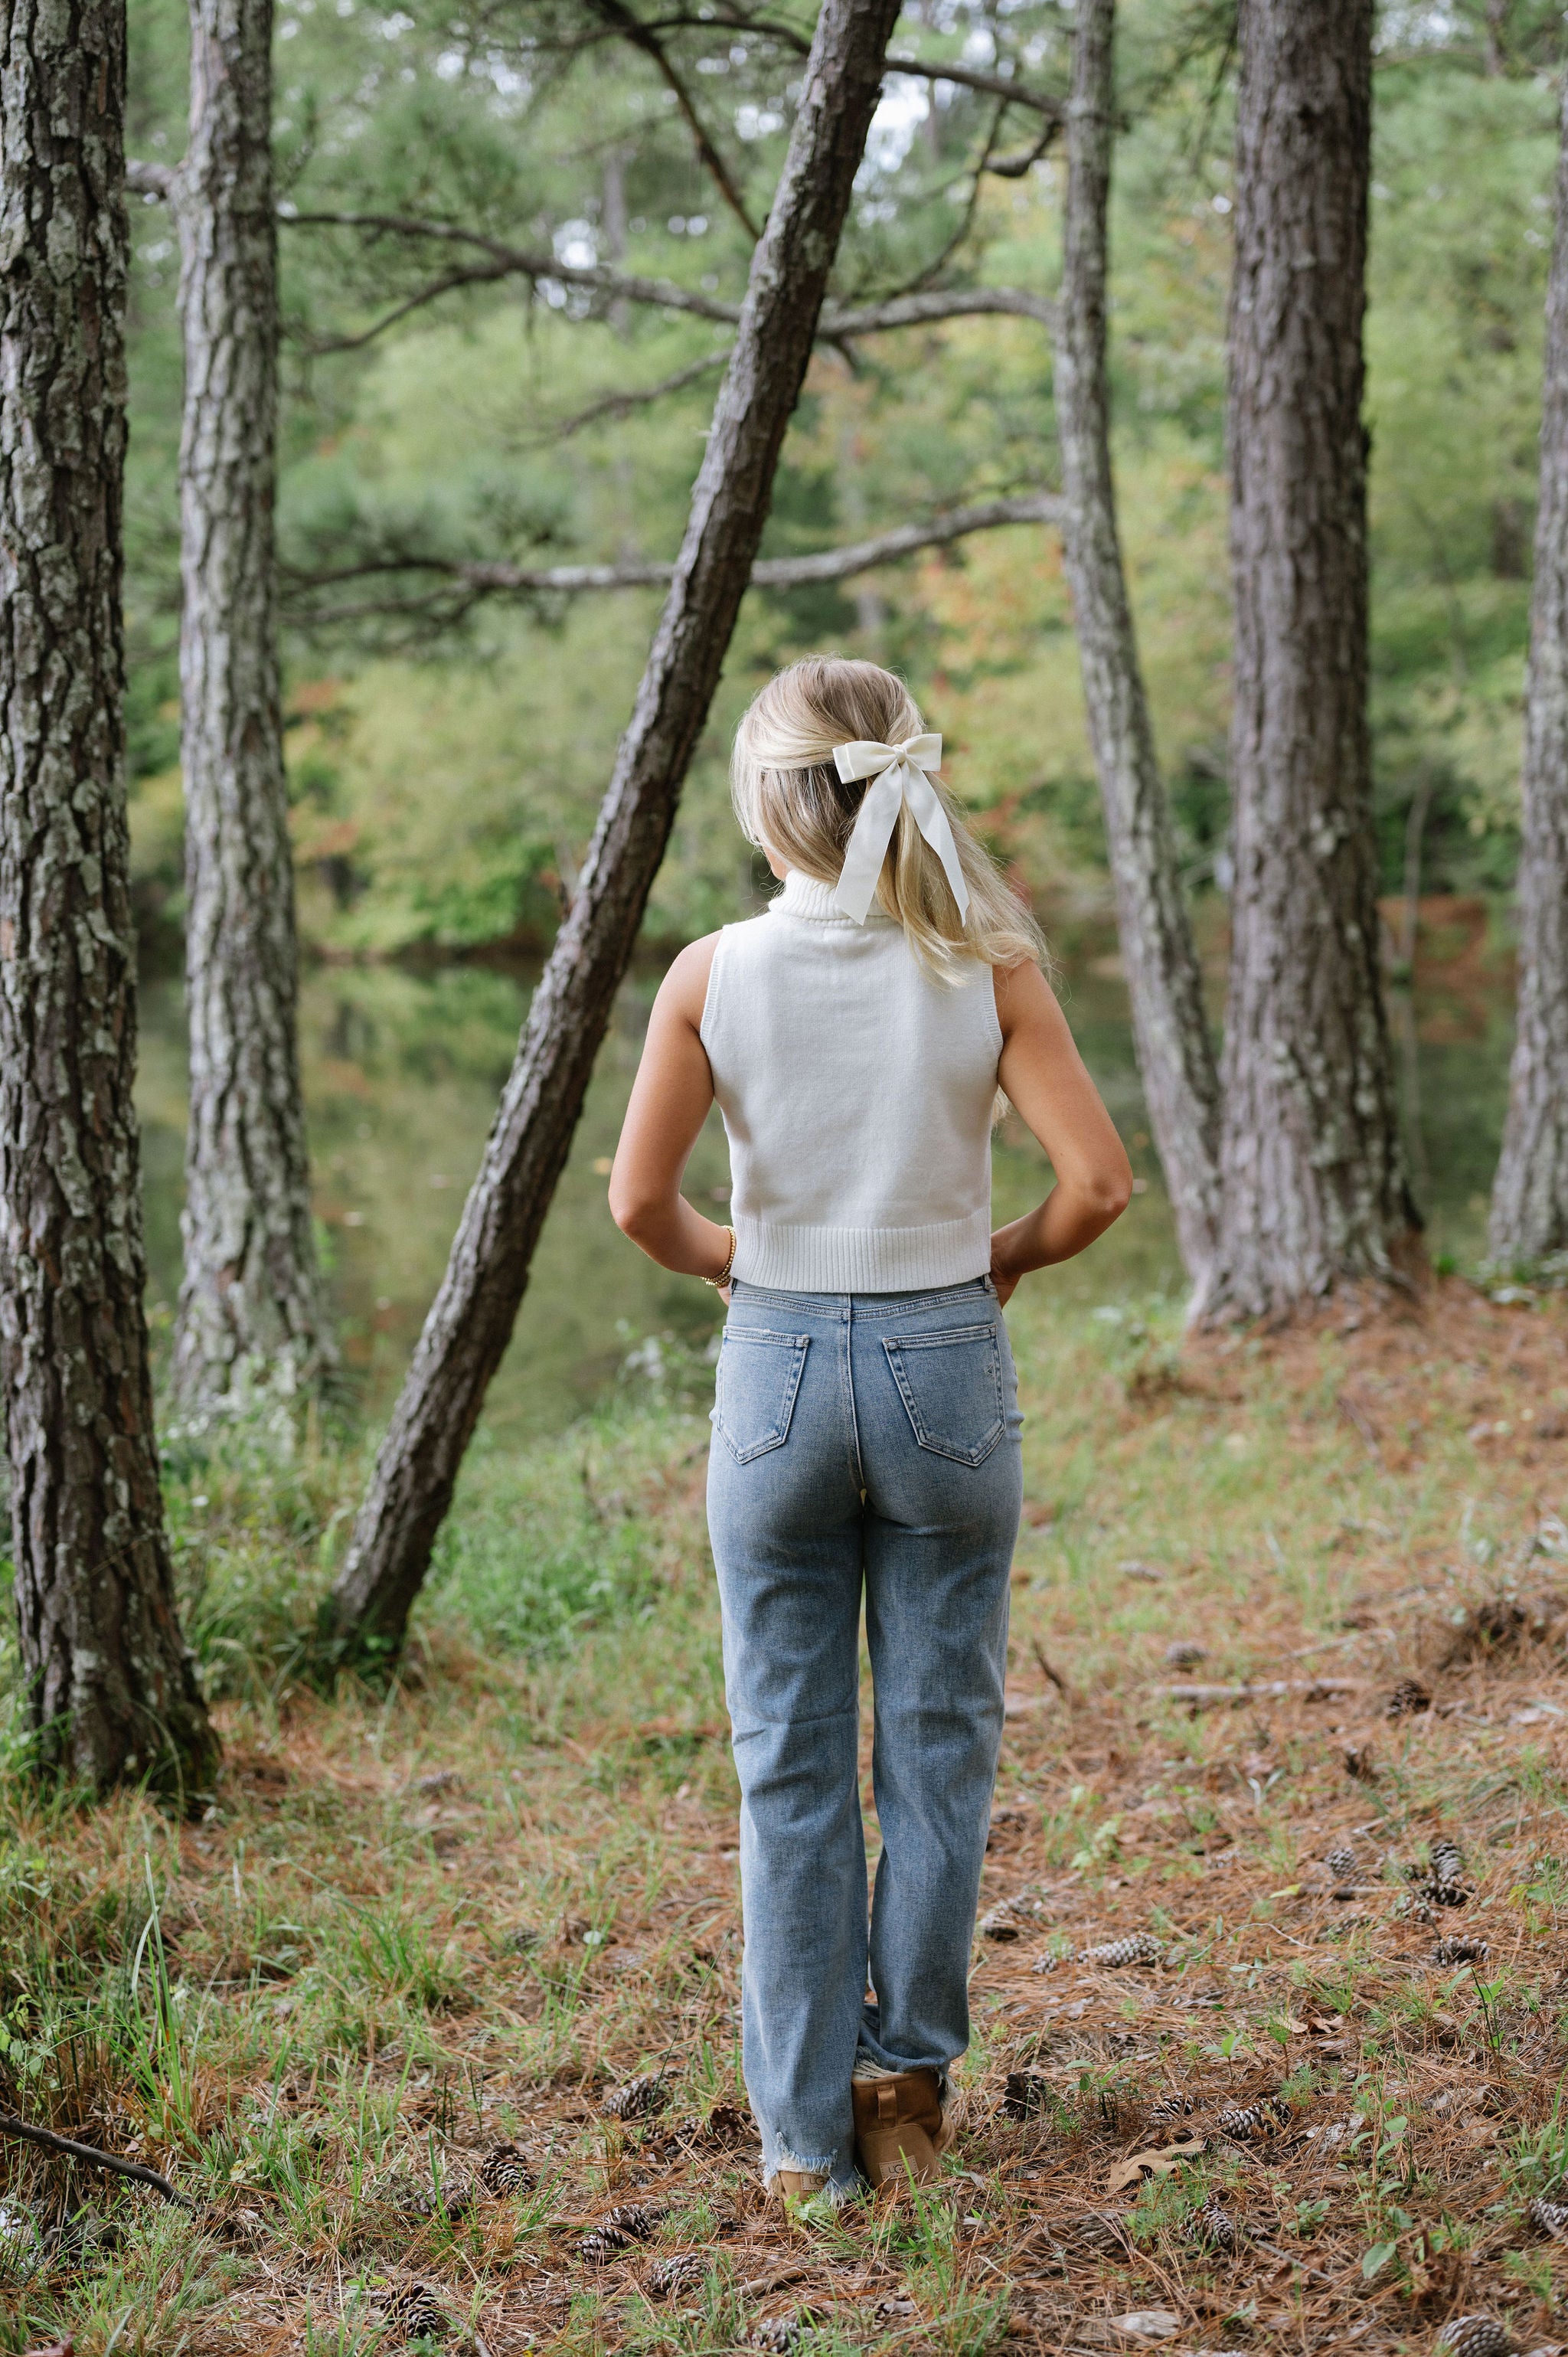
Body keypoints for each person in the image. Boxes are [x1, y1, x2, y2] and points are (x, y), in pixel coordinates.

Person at [609, 655, 1132, 2205]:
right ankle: (903, 2082)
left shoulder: (710, 975)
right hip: (942, 1367)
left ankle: (796, 2148)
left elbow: (640, 1203)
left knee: (787, 1770)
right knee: (936, 1753)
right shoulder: (988, 967)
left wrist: (742, 1270)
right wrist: (1003, 1259)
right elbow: (1097, 1184)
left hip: (774, 1369)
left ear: (767, 802)